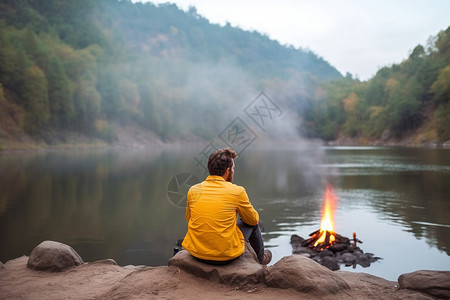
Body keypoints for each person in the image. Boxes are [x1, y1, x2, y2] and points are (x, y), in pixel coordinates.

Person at [182, 147, 272, 265]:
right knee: (253, 224)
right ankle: (260, 260)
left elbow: (190, 220)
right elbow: (253, 219)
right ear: (228, 171)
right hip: (224, 256)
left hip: (197, 253)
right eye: (233, 168)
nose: (233, 171)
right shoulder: (237, 191)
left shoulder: (193, 190)